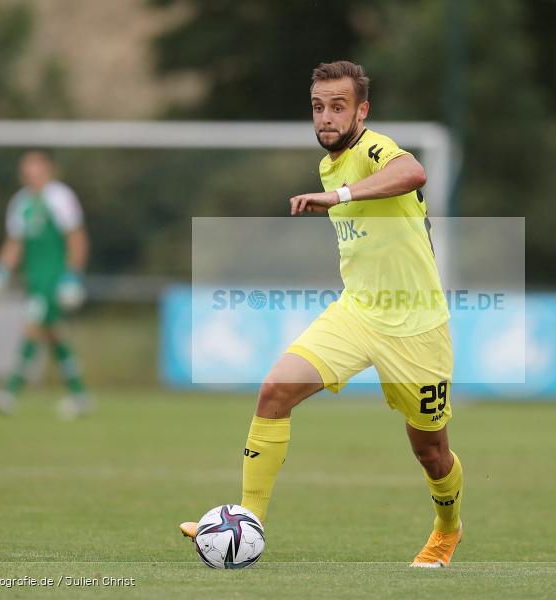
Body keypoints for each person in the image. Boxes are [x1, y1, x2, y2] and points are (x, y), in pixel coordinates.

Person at [181, 61, 463, 567]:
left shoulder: (372, 149)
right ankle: (245, 522)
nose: (326, 117)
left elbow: (413, 172)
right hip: (356, 313)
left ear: (362, 111)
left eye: (338, 106)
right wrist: (335, 192)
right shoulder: (329, 164)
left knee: (431, 452)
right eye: (318, 107)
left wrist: (339, 196)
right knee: (274, 392)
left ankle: (447, 529)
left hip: (416, 326)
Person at [0, 150, 92, 419]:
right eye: (27, 173)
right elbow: (15, 243)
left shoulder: (60, 197)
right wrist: (0, 269)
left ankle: (9, 393)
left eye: (36, 171)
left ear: (48, 170)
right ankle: (80, 395)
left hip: (54, 279)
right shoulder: (20, 203)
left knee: (31, 328)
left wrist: (73, 275)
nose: (31, 177)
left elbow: (77, 238)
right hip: (34, 279)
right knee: (54, 335)